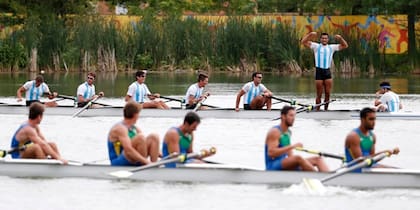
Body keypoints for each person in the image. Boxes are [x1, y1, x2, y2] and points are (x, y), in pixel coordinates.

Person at [265, 105, 329, 171]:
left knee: (318, 159)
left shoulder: (288, 132)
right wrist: (293, 146)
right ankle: (316, 177)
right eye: (291, 115)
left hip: (284, 164)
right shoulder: (275, 132)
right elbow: (271, 153)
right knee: (298, 158)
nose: (293, 118)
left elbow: (290, 155)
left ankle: (328, 178)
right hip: (272, 166)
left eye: (294, 116)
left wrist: (300, 165)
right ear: (283, 116)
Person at [301, 32, 348, 110]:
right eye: (323, 38)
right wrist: (310, 35)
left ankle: (326, 110)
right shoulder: (316, 46)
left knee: (327, 94)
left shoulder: (331, 47)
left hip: (327, 72)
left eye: (326, 38)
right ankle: (318, 110)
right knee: (319, 94)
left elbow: (345, 45)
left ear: (328, 39)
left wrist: (340, 38)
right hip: (319, 72)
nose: (324, 40)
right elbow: (303, 42)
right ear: (320, 39)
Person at [345, 107, 399, 172]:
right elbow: (360, 161)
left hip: (368, 167)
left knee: (398, 170)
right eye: (370, 119)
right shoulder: (353, 137)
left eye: (374, 119)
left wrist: (387, 153)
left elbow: (372, 158)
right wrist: (383, 152)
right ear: (362, 120)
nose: (373, 122)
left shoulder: (372, 136)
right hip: (356, 170)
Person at [107, 101, 160, 166]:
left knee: (154, 137)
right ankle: (145, 165)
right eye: (139, 114)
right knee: (141, 138)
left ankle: (154, 167)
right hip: (118, 161)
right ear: (135, 115)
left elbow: (146, 145)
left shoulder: (135, 128)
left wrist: (168, 156)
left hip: (133, 159)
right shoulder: (120, 129)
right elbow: (128, 150)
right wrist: (147, 162)